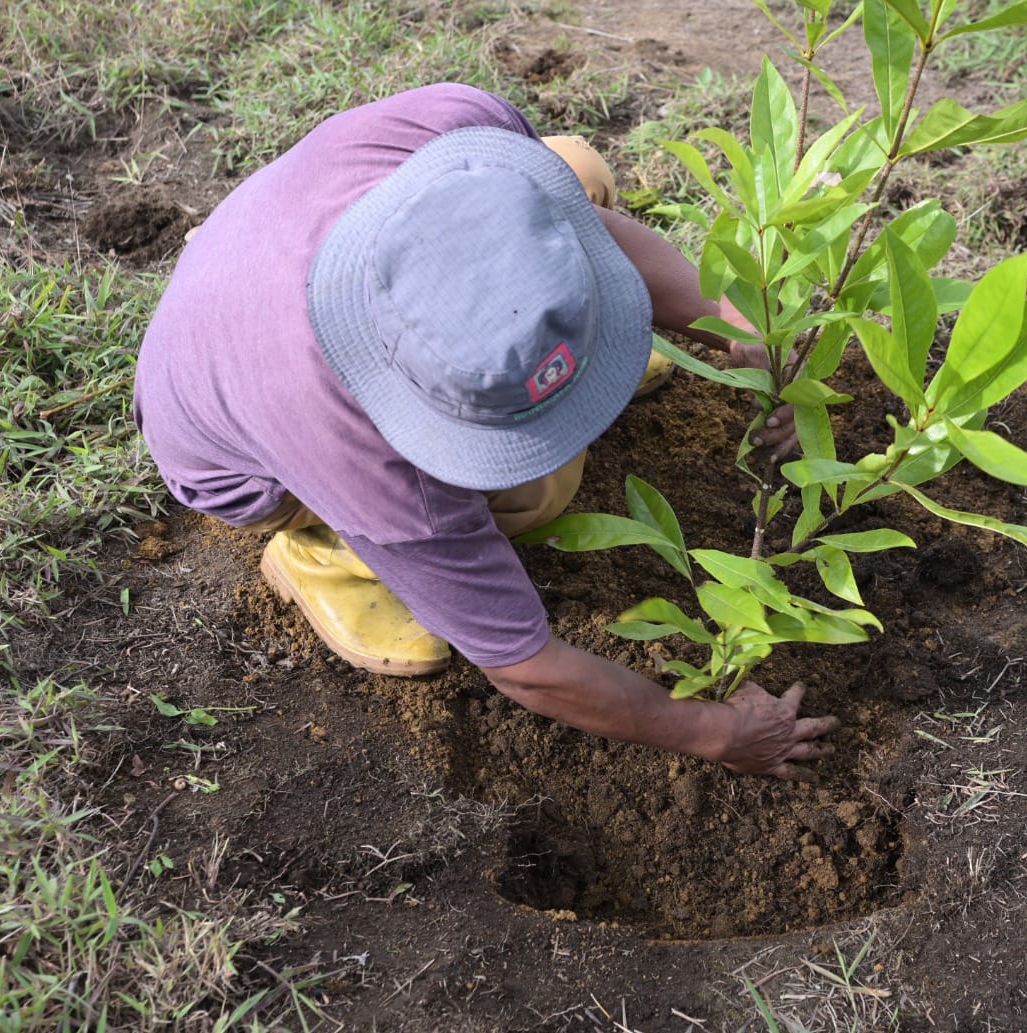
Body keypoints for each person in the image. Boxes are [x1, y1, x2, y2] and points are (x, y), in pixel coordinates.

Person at [134, 83, 836, 780]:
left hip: (260, 256)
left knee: (576, 173)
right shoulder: (377, 461)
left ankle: (561, 350)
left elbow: (590, 227)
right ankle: (332, 551)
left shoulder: (458, 124)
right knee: (540, 493)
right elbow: (530, 671)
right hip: (232, 447)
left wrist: (735, 324)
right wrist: (719, 732)